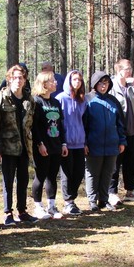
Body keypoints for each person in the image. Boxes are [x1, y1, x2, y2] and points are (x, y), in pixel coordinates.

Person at [0, 65, 35, 226]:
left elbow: (31, 124)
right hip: (7, 147)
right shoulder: (1, 99)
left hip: (24, 146)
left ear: (25, 80)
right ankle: (7, 212)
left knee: (23, 180)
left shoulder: (28, 99)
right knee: (8, 181)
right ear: (9, 79)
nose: (18, 80)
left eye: (21, 78)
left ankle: (22, 211)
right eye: (15, 77)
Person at [83, 71, 126, 211]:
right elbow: (83, 124)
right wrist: (84, 143)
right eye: (101, 83)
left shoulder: (113, 101)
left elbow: (120, 123)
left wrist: (122, 141)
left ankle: (104, 199)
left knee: (108, 172)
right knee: (93, 173)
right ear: (95, 84)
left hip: (112, 144)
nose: (103, 86)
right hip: (93, 144)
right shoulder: (87, 99)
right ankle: (92, 201)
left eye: (106, 83)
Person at [30, 70, 68, 219]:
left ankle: (51, 206)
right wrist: (39, 144)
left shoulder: (55, 102)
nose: (56, 83)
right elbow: (34, 126)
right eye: (52, 80)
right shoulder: (36, 101)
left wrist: (63, 143)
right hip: (42, 146)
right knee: (40, 175)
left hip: (56, 144)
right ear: (44, 83)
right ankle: (38, 207)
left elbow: (60, 124)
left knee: (52, 176)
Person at [109, 59, 134, 204]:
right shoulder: (112, 87)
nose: (130, 71)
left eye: (130, 68)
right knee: (115, 163)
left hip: (132, 131)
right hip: (117, 133)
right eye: (127, 68)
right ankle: (111, 192)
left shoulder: (132, 87)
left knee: (131, 162)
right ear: (119, 70)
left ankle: (130, 191)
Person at [57, 70, 88, 215]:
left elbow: (85, 122)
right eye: (74, 79)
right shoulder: (60, 99)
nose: (77, 82)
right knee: (67, 173)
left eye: (80, 80)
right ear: (69, 81)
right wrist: (61, 142)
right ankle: (68, 202)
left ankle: (72, 200)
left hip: (79, 142)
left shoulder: (82, 100)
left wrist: (85, 142)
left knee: (79, 172)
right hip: (66, 143)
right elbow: (57, 123)